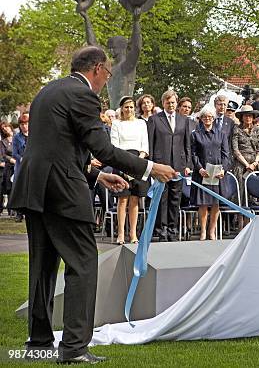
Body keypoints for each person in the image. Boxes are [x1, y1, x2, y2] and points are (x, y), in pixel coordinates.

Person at [8, 46, 176, 364]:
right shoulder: (83, 95)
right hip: (62, 192)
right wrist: (150, 168)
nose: (106, 79)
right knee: (84, 263)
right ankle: (73, 348)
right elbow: (102, 146)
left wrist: (98, 177)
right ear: (97, 69)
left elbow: (60, 145)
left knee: (42, 267)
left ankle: (40, 342)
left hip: (35, 188)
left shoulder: (49, 91)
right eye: (108, 73)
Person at [148, 89, 192, 242]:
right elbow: (151, 144)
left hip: (179, 165)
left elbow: (187, 144)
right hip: (161, 164)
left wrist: (187, 164)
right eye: (168, 102)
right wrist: (152, 166)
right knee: (162, 198)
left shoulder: (183, 120)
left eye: (173, 102)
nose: (171, 105)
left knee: (175, 198)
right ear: (163, 103)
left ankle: (173, 228)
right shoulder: (155, 119)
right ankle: (162, 229)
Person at [110, 96, 150, 244]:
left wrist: (137, 163)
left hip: (138, 162)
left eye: (131, 107)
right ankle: (121, 233)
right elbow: (114, 146)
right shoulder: (116, 124)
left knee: (135, 200)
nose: (129, 110)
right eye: (126, 107)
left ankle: (133, 234)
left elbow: (144, 146)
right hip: (121, 161)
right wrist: (124, 165)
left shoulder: (141, 123)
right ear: (121, 109)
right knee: (123, 199)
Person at [190, 108, 231, 240]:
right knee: (203, 203)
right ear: (201, 119)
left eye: (210, 117)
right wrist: (199, 168)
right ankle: (203, 231)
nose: (207, 119)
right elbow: (193, 154)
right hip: (202, 172)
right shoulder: (195, 134)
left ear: (213, 118)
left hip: (218, 173)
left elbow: (226, 154)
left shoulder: (221, 134)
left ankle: (212, 231)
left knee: (215, 203)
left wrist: (223, 169)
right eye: (204, 117)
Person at [232, 105, 259, 204]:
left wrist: (255, 163)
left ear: (253, 117)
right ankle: (239, 218)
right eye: (245, 116)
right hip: (241, 164)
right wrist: (246, 165)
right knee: (240, 190)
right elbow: (235, 150)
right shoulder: (236, 129)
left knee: (254, 190)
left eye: (250, 116)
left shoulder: (257, 130)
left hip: (254, 164)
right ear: (241, 117)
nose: (248, 118)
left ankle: (252, 216)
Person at [12, 113, 29, 222]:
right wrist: (21, 158)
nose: (24, 126)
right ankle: (19, 213)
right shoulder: (17, 137)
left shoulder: (35, 135)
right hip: (21, 166)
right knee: (20, 189)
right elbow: (14, 153)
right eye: (22, 124)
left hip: (32, 166)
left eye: (26, 123)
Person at [0, 122, 14, 214]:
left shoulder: (17, 138)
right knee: (9, 188)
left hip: (18, 165)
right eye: (3, 128)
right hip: (8, 167)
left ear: (10, 127)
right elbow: (2, 155)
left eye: (6, 127)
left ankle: (15, 209)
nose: (5, 129)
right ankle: (11, 209)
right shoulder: (2, 142)